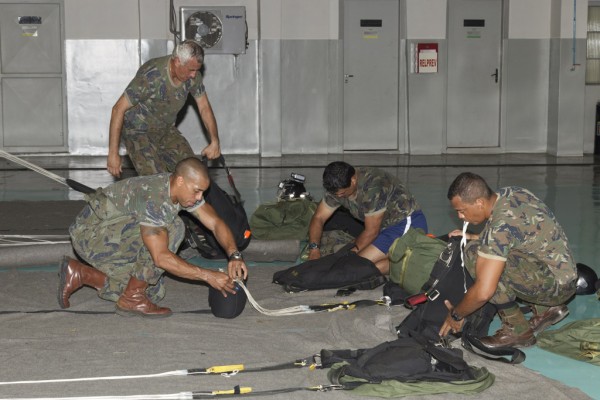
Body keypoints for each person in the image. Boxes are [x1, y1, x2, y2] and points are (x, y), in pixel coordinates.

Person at [58, 157, 248, 318]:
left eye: (202, 193)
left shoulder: (178, 190)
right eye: (197, 191)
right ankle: (133, 298)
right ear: (180, 181)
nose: (199, 197)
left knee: (154, 292)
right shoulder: (155, 201)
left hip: (111, 231)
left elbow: (215, 223)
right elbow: (161, 258)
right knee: (175, 227)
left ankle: (81, 274)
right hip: (91, 235)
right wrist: (208, 276)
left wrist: (234, 255)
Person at [439, 172, 577, 347]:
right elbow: (515, 232)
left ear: (479, 203)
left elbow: (484, 292)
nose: (460, 216)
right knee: (481, 246)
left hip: (555, 287)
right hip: (563, 275)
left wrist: (456, 315)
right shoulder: (512, 193)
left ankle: (517, 331)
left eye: (461, 210)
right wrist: (474, 236)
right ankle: (546, 309)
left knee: (474, 253)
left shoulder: (500, 229)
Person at [107, 40, 221, 178]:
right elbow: (117, 109)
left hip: (165, 129)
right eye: (191, 70)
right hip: (138, 131)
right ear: (177, 61)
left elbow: (204, 108)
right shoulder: (151, 75)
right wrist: (113, 153)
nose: (193, 75)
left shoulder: (193, 77)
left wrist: (215, 141)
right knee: (157, 180)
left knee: (192, 173)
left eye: (197, 70)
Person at [307, 161, 427, 274]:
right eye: (336, 194)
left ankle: (409, 261)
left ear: (353, 180)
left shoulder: (372, 185)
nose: (339, 196)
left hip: (407, 224)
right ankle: (402, 259)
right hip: (383, 229)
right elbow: (319, 218)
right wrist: (314, 248)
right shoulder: (336, 188)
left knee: (354, 266)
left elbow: (371, 231)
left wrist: (349, 253)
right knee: (357, 266)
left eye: (342, 193)